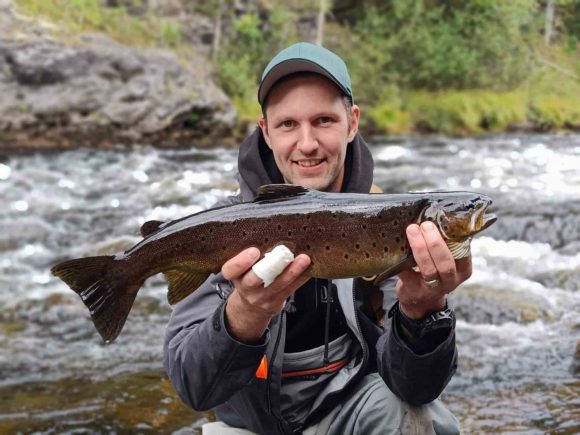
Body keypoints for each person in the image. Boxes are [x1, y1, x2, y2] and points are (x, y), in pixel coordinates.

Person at [164, 42, 470, 434]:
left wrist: (423, 312)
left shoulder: (390, 224)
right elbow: (193, 388)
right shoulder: (222, 229)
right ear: (266, 132)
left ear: (352, 123)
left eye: (323, 120)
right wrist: (244, 314)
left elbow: (416, 389)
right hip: (250, 428)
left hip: (351, 414)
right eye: (287, 124)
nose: (307, 144)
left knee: (426, 420)